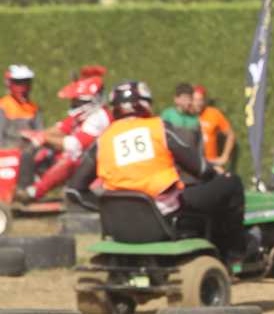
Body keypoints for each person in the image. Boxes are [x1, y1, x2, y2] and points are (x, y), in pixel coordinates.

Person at [78, 81, 246, 262]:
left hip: (119, 225)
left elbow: (74, 190)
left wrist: (107, 208)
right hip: (164, 218)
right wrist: (213, 176)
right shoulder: (158, 128)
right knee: (231, 182)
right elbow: (202, 169)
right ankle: (233, 253)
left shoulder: (103, 140)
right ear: (145, 104)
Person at [16, 66, 109, 203]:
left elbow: (75, 145)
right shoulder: (82, 116)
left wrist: (44, 138)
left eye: (77, 101)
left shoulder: (99, 117)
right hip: (85, 159)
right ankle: (22, 185)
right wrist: (37, 135)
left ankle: (33, 192)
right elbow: (61, 128)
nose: (74, 104)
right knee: (44, 153)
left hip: (95, 163)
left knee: (68, 159)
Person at [192, 85, 235, 171]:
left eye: (200, 100)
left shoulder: (213, 114)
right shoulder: (185, 116)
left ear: (205, 100)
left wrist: (224, 156)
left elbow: (231, 135)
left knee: (225, 177)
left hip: (211, 163)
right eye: (195, 100)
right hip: (191, 164)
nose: (198, 103)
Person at [0, 65, 41, 145]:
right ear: (9, 83)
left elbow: (40, 134)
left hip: (29, 150)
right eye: (18, 82)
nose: (23, 87)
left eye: (26, 82)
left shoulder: (34, 108)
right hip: (7, 149)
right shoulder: (3, 106)